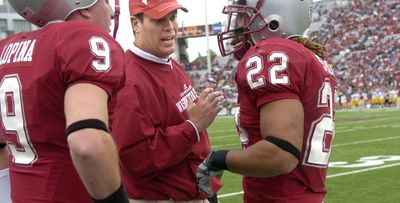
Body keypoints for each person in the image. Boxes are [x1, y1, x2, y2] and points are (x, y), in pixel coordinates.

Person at [197, 0, 337, 202]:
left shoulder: (270, 54)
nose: (236, 24)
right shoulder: (309, 58)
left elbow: (280, 153)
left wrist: (217, 160)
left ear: (274, 19)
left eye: (244, 15)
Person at [0, 0, 129, 202]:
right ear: (84, 4)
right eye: (105, 1)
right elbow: (87, 144)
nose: (111, 11)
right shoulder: (83, 41)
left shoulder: (6, 49)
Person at [111, 0, 224, 202]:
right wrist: (193, 126)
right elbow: (137, 159)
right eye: (159, 20)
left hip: (195, 189)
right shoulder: (129, 81)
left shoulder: (167, 62)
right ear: (136, 24)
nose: (170, 27)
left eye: (172, 17)